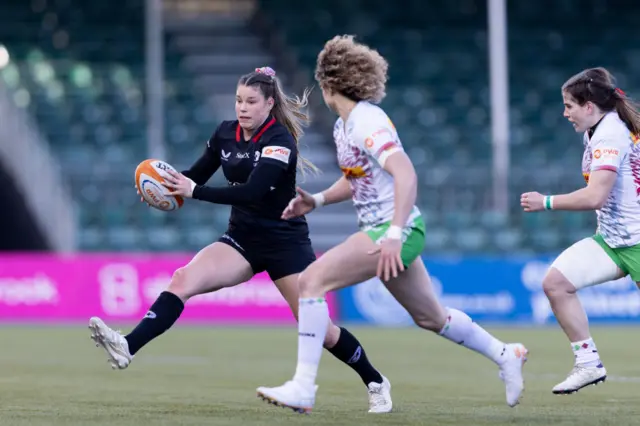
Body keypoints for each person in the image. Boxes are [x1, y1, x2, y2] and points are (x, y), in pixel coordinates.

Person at [88, 66, 394, 413]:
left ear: (268, 104)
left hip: (285, 243)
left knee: (321, 331)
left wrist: (195, 191)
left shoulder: (280, 140)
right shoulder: (224, 135)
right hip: (242, 239)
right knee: (182, 279)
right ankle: (127, 346)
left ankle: (375, 381)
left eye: (251, 101)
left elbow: (253, 192)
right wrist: (163, 184)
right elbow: (195, 176)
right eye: (238, 100)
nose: (242, 107)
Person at [256, 35, 528, 414]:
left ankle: (303, 386)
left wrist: (395, 234)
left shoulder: (367, 121)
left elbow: (406, 174)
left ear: (328, 82)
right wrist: (316, 201)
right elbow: (356, 179)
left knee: (310, 282)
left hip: (393, 229)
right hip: (389, 229)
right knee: (431, 317)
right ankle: (506, 354)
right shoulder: (343, 126)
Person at [521, 67, 640, 395]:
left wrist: (545, 202)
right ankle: (588, 364)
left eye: (569, 105)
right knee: (556, 284)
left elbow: (595, 196)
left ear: (589, 107)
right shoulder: (598, 129)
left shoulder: (610, 135)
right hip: (614, 241)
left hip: (637, 241)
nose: (565, 113)